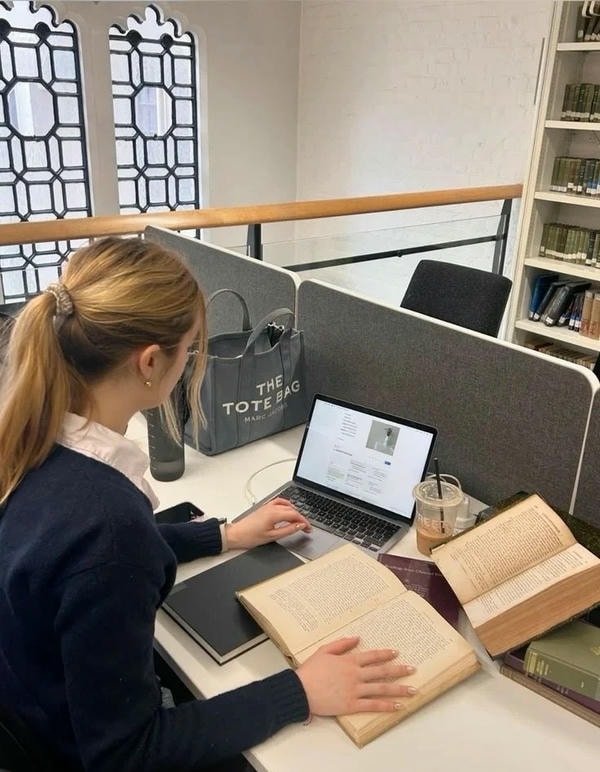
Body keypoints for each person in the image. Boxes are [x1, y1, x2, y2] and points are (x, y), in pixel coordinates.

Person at [0, 237, 417, 772]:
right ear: (150, 363)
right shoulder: (105, 524)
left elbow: (77, 557)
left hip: (34, 707)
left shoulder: (32, 439)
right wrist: (300, 691)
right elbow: (126, 754)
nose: (192, 363)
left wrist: (225, 534)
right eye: (190, 349)